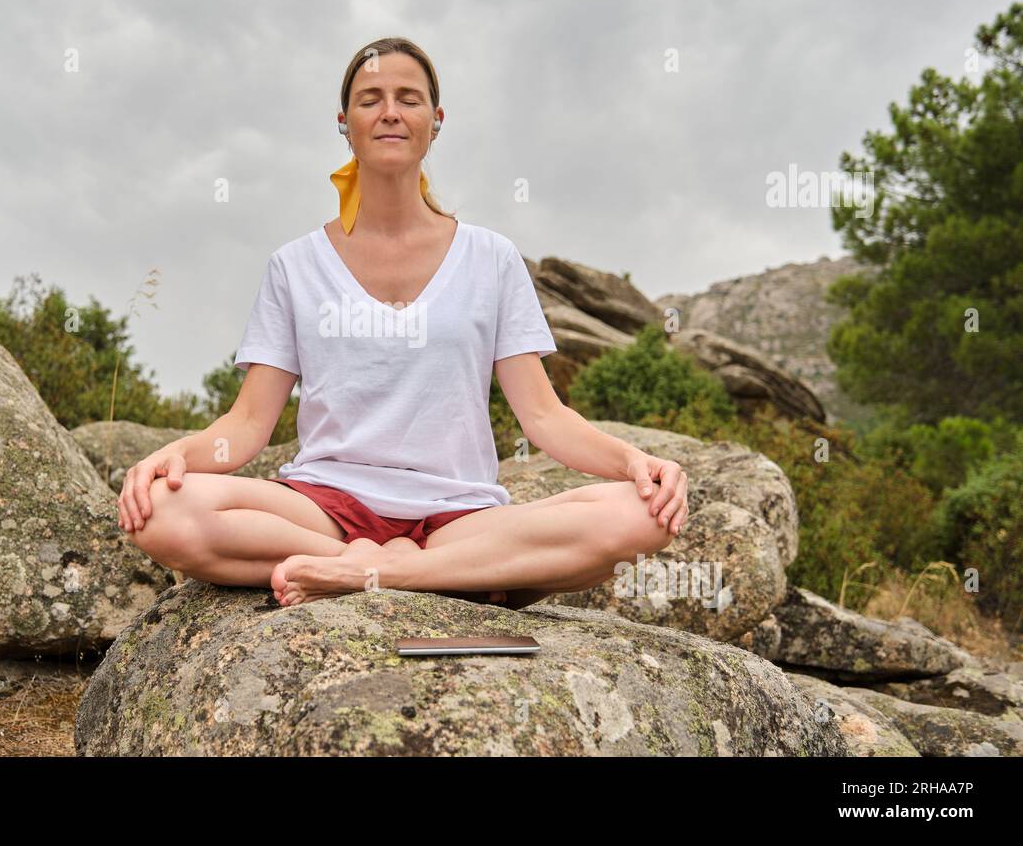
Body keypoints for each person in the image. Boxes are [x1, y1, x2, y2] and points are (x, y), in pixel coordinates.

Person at [118, 36, 688, 610]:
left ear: (435, 121)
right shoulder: (295, 265)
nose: (390, 111)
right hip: (324, 509)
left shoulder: (491, 259)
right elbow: (246, 424)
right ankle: (408, 571)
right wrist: (179, 456)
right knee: (160, 511)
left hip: (459, 516)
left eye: (408, 98)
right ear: (345, 122)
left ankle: (389, 574)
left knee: (643, 515)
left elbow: (543, 416)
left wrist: (634, 462)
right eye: (371, 99)